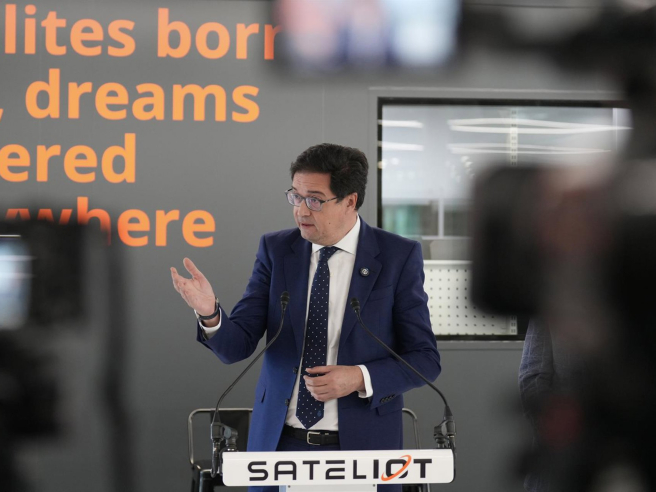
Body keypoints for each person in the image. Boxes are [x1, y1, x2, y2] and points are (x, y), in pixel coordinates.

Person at [171, 143, 441, 492]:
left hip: (363, 448)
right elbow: (236, 347)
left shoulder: (396, 256)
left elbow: (425, 359)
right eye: (295, 196)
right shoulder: (276, 250)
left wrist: (359, 377)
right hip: (279, 447)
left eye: (314, 200)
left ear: (350, 201)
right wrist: (209, 312)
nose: (301, 209)